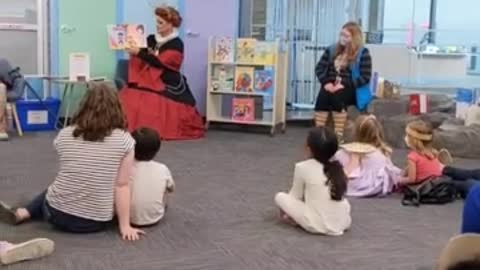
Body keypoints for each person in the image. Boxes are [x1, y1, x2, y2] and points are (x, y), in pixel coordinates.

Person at [0, 83, 144, 241]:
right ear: (117, 108)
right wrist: (125, 226)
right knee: (109, 184)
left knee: (56, 186)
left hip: (55, 215)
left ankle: (23, 213)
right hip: (94, 222)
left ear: (83, 106)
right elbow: (122, 186)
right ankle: (27, 212)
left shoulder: (65, 134)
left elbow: (70, 164)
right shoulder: (125, 141)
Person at [120, 5, 205, 141]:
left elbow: (161, 62)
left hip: (166, 79)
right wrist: (131, 47)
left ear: (171, 25)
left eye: (161, 23)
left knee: (148, 100)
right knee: (131, 95)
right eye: (157, 22)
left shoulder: (177, 43)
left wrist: (140, 53)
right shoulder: (151, 39)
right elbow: (142, 54)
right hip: (145, 77)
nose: (157, 26)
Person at [274, 127, 351, 235]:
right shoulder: (338, 167)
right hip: (343, 223)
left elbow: (295, 196)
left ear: (309, 149)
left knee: (280, 197)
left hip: (316, 224)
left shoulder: (302, 167)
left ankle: (296, 220)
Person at [314, 21, 372, 141]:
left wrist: (343, 84)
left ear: (354, 38)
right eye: (341, 34)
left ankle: (338, 136)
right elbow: (319, 68)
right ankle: (319, 133)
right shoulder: (331, 50)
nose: (342, 38)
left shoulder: (363, 53)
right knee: (323, 96)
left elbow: (365, 77)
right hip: (330, 84)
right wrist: (326, 83)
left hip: (350, 88)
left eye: (346, 36)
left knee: (337, 96)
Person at [401, 120, 480, 197]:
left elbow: (412, 179)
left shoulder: (412, 156)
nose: (405, 138)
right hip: (441, 174)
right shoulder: (431, 151)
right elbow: (414, 167)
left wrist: (398, 180)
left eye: (407, 135)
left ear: (414, 140)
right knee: (468, 175)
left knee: (463, 184)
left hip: (436, 182)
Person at [335, 115, 402, 197]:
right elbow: (390, 170)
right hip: (375, 186)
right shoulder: (381, 153)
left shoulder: (343, 152)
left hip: (351, 185)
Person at [130, 127, 175, 227]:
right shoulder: (162, 168)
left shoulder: (124, 168)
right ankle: (153, 206)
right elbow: (171, 188)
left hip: (125, 216)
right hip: (155, 217)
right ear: (157, 149)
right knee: (166, 188)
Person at [0, 58, 26, 141]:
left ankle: (1, 126)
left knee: (1, 88)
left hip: (3, 91)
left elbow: (13, 77)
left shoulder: (2, 63)